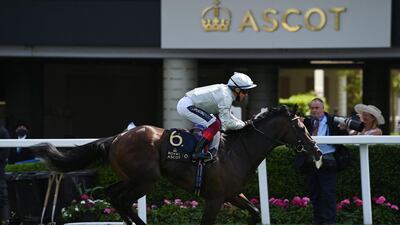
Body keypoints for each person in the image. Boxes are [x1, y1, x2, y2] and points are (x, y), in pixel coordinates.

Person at [177, 72, 257, 160]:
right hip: (187, 106)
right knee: (215, 124)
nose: (246, 95)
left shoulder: (226, 92)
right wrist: (244, 125)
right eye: (245, 91)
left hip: (189, 104)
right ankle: (197, 152)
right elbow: (226, 123)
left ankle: (208, 150)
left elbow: (227, 115)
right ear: (237, 90)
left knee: (215, 123)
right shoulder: (226, 97)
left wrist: (243, 123)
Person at [300, 98, 348, 225]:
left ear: (323, 109)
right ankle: (318, 221)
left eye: (317, 108)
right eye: (312, 108)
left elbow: (343, 139)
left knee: (328, 193)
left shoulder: (333, 120)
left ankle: (329, 222)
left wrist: (343, 129)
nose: (314, 110)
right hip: (311, 160)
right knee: (314, 192)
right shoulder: (307, 121)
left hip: (329, 160)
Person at [0, 119, 10, 225]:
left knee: (2, 196)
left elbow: (5, 153)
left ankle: (5, 220)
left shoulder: (3, 132)